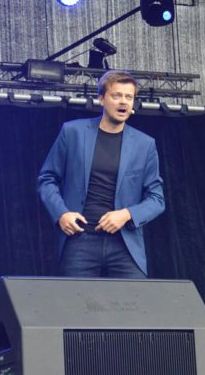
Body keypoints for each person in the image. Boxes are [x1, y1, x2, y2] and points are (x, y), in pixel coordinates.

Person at [37, 70, 165, 278]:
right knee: (75, 299)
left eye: (129, 97)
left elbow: (157, 199)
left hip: (125, 242)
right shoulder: (73, 132)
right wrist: (61, 213)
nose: (123, 101)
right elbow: (47, 179)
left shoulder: (145, 144)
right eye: (117, 95)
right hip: (80, 237)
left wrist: (127, 214)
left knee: (135, 299)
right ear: (101, 99)